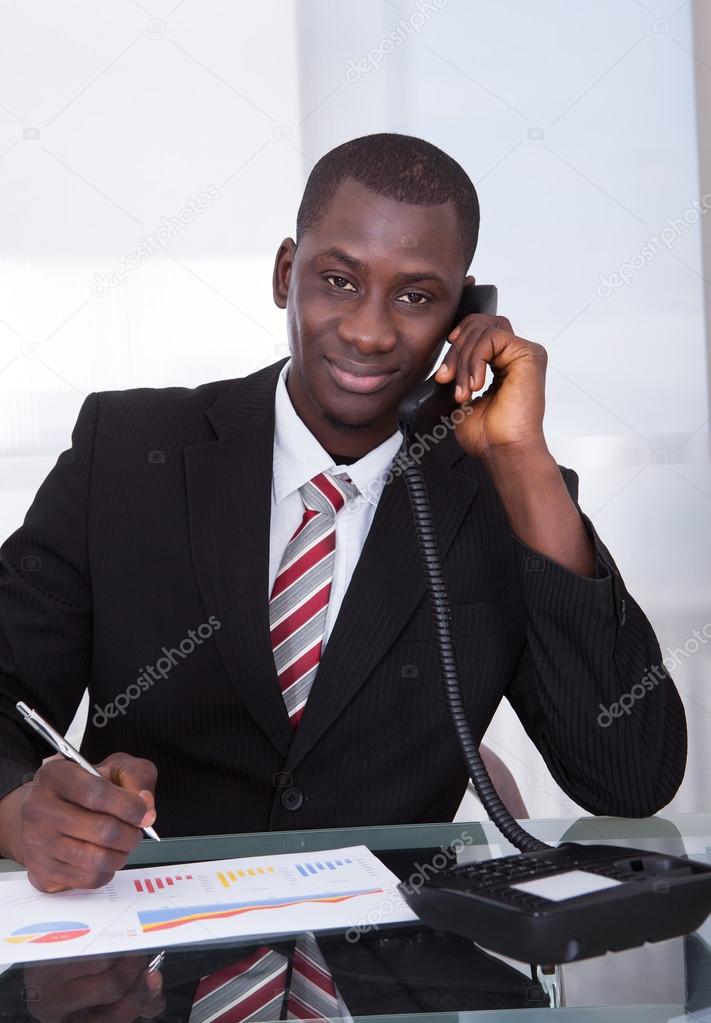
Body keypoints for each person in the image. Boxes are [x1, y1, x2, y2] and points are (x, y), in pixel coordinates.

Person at [0, 133, 686, 895]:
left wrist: (521, 462)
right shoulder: (125, 452)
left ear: (465, 314)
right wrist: (17, 810)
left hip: (394, 975)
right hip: (143, 965)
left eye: (418, 296)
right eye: (338, 280)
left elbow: (629, 776)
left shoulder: (507, 493)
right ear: (286, 273)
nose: (369, 331)